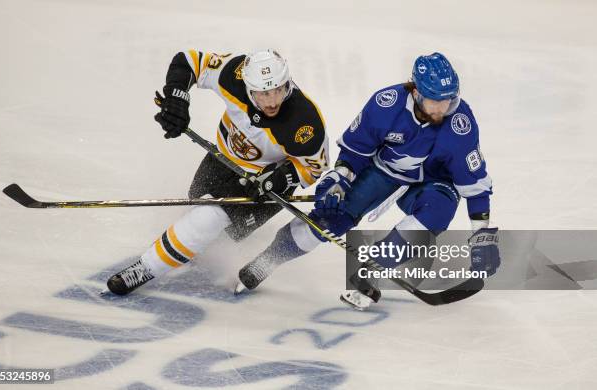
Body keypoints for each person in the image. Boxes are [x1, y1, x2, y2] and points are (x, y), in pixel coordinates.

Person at [235, 52, 500, 309]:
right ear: (417, 92)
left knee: (439, 210)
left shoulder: (460, 124)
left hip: (431, 182)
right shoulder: (387, 104)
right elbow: (354, 152)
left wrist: (482, 236)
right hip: (382, 171)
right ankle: (268, 259)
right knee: (330, 218)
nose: (444, 108)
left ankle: (373, 269)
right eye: (436, 101)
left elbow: (474, 184)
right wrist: (339, 180)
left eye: (449, 100)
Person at [106, 49, 329, 295]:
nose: (273, 101)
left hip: (263, 183)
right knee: (200, 207)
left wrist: (281, 178)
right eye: (264, 94)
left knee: (208, 220)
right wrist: (177, 98)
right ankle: (185, 247)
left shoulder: (304, 122)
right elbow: (190, 61)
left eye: (279, 90)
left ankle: (145, 268)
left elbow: (315, 167)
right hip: (221, 160)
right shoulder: (233, 75)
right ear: (248, 87)